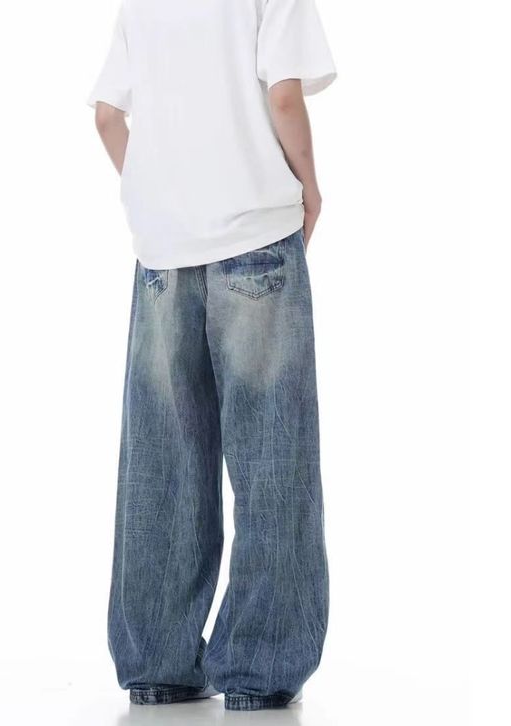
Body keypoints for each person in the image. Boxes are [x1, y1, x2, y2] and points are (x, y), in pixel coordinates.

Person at [87, 0, 336, 712]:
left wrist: (154, 194)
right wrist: (309, 186)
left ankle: (157, 664)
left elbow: (107, 115)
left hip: (163, 251)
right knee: (273, 458)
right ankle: (260, 670)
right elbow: (283, 95)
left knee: (163, 456)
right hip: (257, 235)